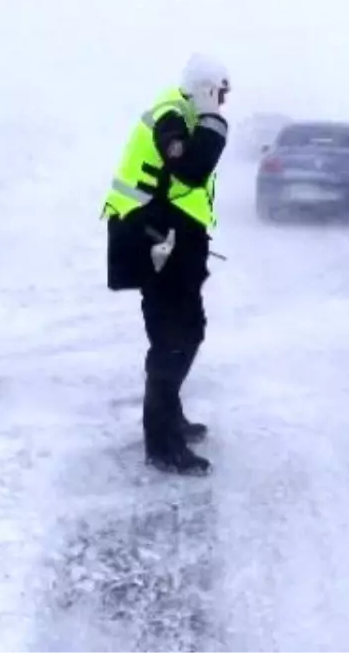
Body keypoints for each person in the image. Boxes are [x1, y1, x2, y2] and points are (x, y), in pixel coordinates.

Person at [101, 54, 231, 476]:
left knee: (186, 332)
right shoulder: (171, 115)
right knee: (172, 338)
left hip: (172, 238)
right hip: (153, 239)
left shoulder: (183, 113)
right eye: (220, 93)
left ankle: (169, 419)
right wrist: (213, 122)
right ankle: (162, 445)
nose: (223, 103)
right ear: (206, 87)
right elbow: (191, 170)